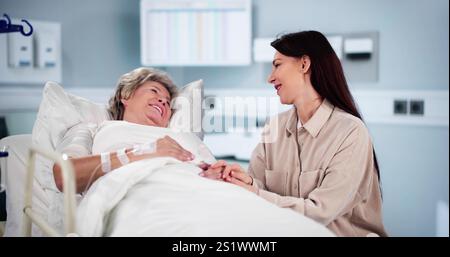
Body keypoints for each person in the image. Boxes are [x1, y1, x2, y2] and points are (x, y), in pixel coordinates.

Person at [201, 31, 387, 237]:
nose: (270, 77)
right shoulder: (275, 127)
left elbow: (320, 212)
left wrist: (255, 193)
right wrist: (244, 182)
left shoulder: (350, 132)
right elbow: (259, 187)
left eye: (277, 64)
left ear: (304, 64)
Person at [52, 67, 196, 193]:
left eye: (168, 102)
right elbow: (63, 173)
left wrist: (211, 173)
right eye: (154, 91)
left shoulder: (179, 138)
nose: (163, 101)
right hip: (143, 195)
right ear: (126, 95)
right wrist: (145, 152)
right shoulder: (91, 130)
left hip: (191, 191)